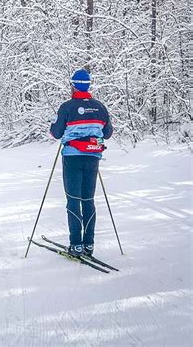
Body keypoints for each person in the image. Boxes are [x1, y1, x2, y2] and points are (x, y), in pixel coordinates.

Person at [49, 69, 113, 257]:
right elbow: (108, 133)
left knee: (73, 200)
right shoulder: (100, 107)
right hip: (92, 158)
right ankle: (89, 244)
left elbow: (56, 133)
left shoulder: (67, 107)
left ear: (73, 86)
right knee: (88, 200)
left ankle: (76, 244)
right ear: (89, 85)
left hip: (72, 157)